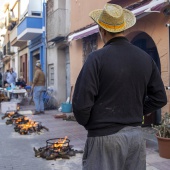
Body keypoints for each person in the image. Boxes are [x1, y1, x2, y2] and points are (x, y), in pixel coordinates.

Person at [72, 4, 167, 170]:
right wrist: (137, 110)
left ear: (102, 30)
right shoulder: (145, 58)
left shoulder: (96, 58)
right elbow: (160, 98)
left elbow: (81, 106)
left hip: (104, 139)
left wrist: (93, 123)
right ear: (123, 27)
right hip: (135, 139)